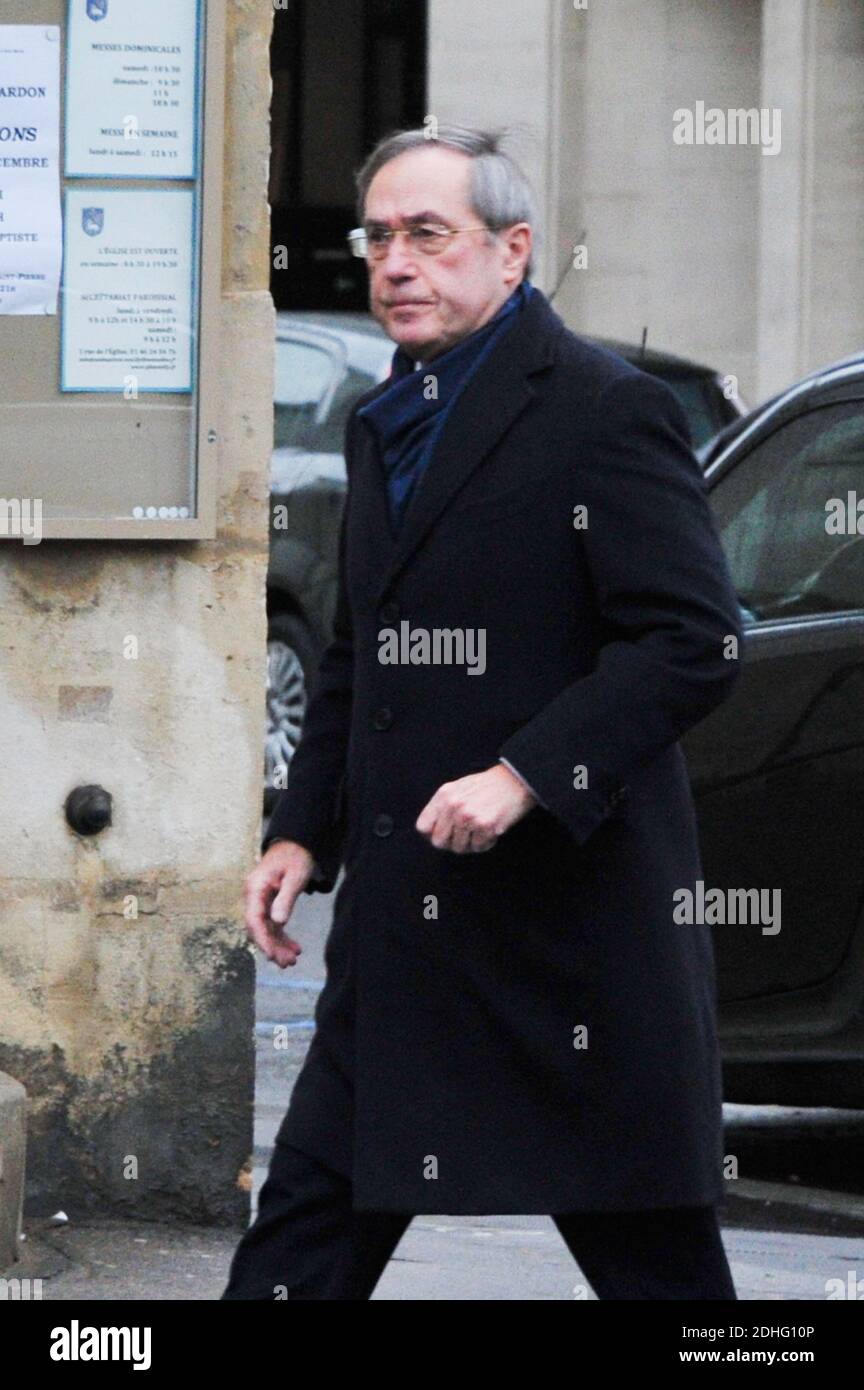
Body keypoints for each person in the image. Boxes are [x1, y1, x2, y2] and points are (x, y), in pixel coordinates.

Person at [221, 125, 742, 1301]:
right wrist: (306, 829)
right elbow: (360, 648)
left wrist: (524, 775)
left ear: (512, 254)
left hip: (569, 947)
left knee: (658, 1267)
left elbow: (694, 642)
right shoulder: (386, 418)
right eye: (380, 237)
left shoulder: (605, 412)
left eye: (428, 236)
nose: (395, 262)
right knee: (300, 1240)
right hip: (407, 946)